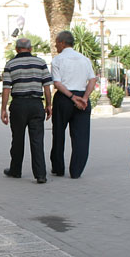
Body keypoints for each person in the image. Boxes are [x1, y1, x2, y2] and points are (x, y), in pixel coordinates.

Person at [0, 37, 53, 183]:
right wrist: (49, 105)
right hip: (36, 104)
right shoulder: (41, 63)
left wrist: (3, 109)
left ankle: (15, 170)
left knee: (17, 139)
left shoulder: (10, 64)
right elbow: (47, 87)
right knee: (37, 140)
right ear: (30, 49)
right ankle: (40, 174)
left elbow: (6, 88)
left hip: (18, 105)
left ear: (17, 49)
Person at [49, 30, 97, 179]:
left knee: (58, 133)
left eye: (57, 43)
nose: (56, 46)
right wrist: (84, 98)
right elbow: (93, 80)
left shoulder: (57, 60)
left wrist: (71, 97)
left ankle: (58, 168)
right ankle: (76, 171)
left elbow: (57, 83)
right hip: (82, 98)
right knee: (81, 136)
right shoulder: (85, 59)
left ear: (62, 43)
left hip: (64, 98)